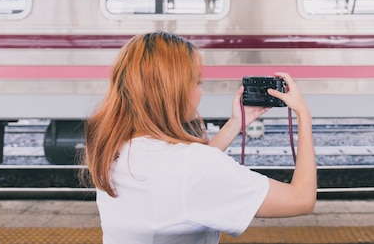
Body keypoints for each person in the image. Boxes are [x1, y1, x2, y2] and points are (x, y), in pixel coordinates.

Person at [83, 31, 316, 244]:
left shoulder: (111, 148)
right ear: (173, 91)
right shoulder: (192, 166)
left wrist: (236, 123)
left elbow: (185, 174)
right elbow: (302, 198)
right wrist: (303, 114)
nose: (200, 91)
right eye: (197, 82)